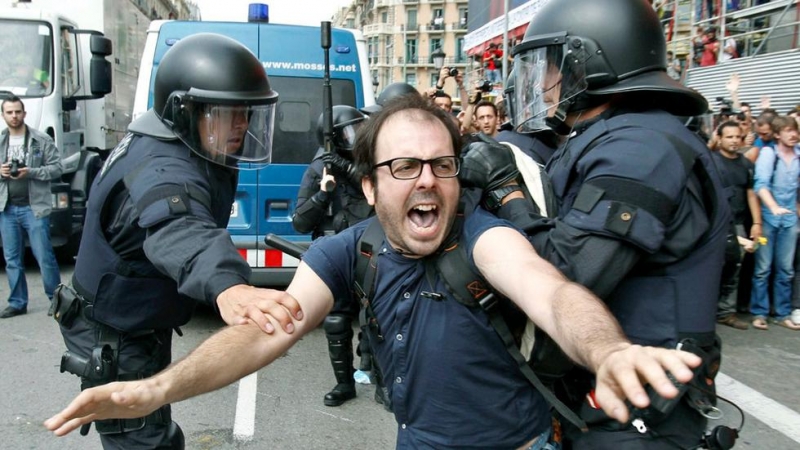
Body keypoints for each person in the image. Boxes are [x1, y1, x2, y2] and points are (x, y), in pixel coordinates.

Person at [45, 94, 702, 450]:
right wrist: (158, 390)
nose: (426, 180)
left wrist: (609, 350)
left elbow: (551, 292)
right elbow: (264, 333)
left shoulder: (487, 239)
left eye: (441, 165)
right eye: (404, 167)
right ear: (367, 187)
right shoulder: (348, 250)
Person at [469, 0, 731, 447]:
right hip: (602, 394)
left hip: (638, 410)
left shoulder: (641, 148)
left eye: (550, 66)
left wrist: (506, 189)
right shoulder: (614, 137)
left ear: (589, 62)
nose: (543, 83)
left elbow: (568, 274)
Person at [50, 33, 302, 449]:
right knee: (142, 439)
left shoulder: (168, 139)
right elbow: (176, 226)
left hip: (135, 319)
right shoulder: (164, 170)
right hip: (115, 333)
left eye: (246, 113)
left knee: (153, 419)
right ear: (185, 112)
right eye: (226, 114)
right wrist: (229, 286)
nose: (240, 125)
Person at [292, 105, 377, 407]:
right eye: (349, 132)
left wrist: (348, 168)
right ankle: (344, 383)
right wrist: (323, 193)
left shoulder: (368, 163)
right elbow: (300, 222)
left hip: (370, 249)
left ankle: (381, 378)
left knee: (377, 316)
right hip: (336, 254)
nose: (357, 137)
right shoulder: (319, 168)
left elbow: (380, 194)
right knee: (337, 320)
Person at [0, 96, 62, 318]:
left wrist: (32, 172)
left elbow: (57, 168)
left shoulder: (40, 139)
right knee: (12, 259)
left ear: (24, 114)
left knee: (44, 257)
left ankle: (57, 301)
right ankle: (17, 302)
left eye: (17, 112)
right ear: (3, 115)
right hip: (7, 209)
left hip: (34, 208)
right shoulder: (1, 140)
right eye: (9, 112)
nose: (14, 116)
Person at [750, 116, 800, 331]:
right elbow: (760, 185)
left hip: (790, 220)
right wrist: (773, 207)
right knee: (762, 268)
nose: (793, 134)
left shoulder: (798, 155)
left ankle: (782, 313)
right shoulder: (769, 154)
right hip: (768, 219)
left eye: (795, 130)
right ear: (778, 134)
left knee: (786, 270)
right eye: (788, 131)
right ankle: (759, 312)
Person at [711, 121, 761, 330]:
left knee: (735, 268)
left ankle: (726, 312)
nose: (734, 141)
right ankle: (703, 312)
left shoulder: (746, 164)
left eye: (737, 137)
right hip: (714, 224)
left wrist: (757, 223)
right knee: (711, 268)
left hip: (739, 223)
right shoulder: (711, 162)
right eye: (729, 136)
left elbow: (751, 193)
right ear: (719, 138)